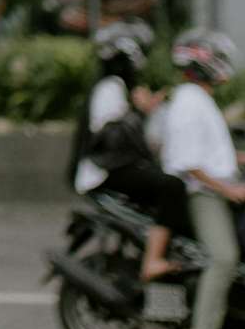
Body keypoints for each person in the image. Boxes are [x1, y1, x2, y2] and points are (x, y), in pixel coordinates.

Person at [155, 28, 245, 329]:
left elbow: (209, 152)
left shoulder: (199, 99)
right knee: (224, 258)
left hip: (215, 187)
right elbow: (188, 162)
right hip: (203, 195)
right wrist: (229, 189)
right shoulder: (188, 102)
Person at [70, 22, 185, 282]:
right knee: (172, 186)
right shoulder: (110, 88)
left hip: (112, 168)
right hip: (105, 172)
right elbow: (110, 136)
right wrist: (141, 111)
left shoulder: (113, 87)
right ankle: (154, 260)